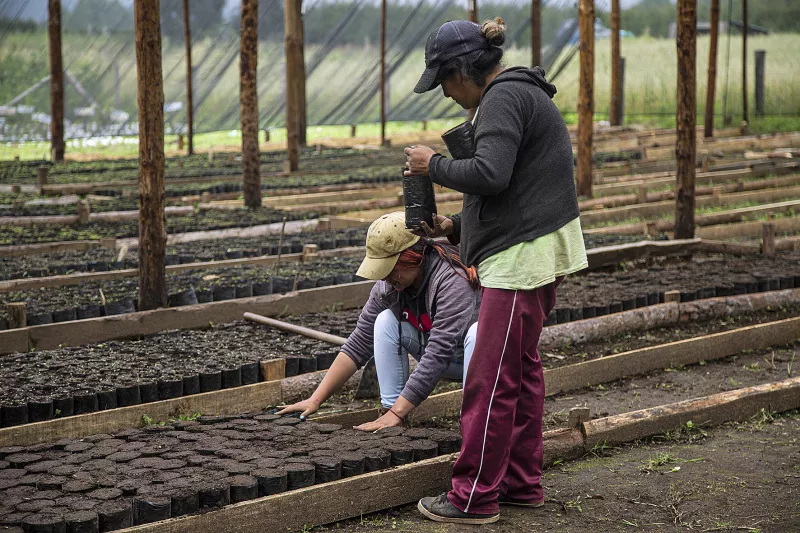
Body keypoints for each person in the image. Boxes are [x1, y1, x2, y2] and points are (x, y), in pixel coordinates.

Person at [405, 18, 588, 525]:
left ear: (463, 70)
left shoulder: (504, 98)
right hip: (532, 247)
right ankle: (521, 484)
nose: (443, 92)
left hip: (521, 260)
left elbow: (491, 173)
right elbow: (511, 191)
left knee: (489, 379)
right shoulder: (515, 94)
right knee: (522, 372)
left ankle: (473, 498)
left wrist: (432, 165)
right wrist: (455, 226)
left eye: (443, 79)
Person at [278, 211, 481, 432]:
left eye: (390, 269)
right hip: (446, 360)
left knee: (477, 333)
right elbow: (358, 344)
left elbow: (439, 353)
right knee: (385, 321)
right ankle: (389, 414)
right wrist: (315, 399)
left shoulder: (452, 281)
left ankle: (475, 424)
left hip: (480, 364)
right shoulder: (389, 287)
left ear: (412, 257)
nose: (385, 277)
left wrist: (398, 412)